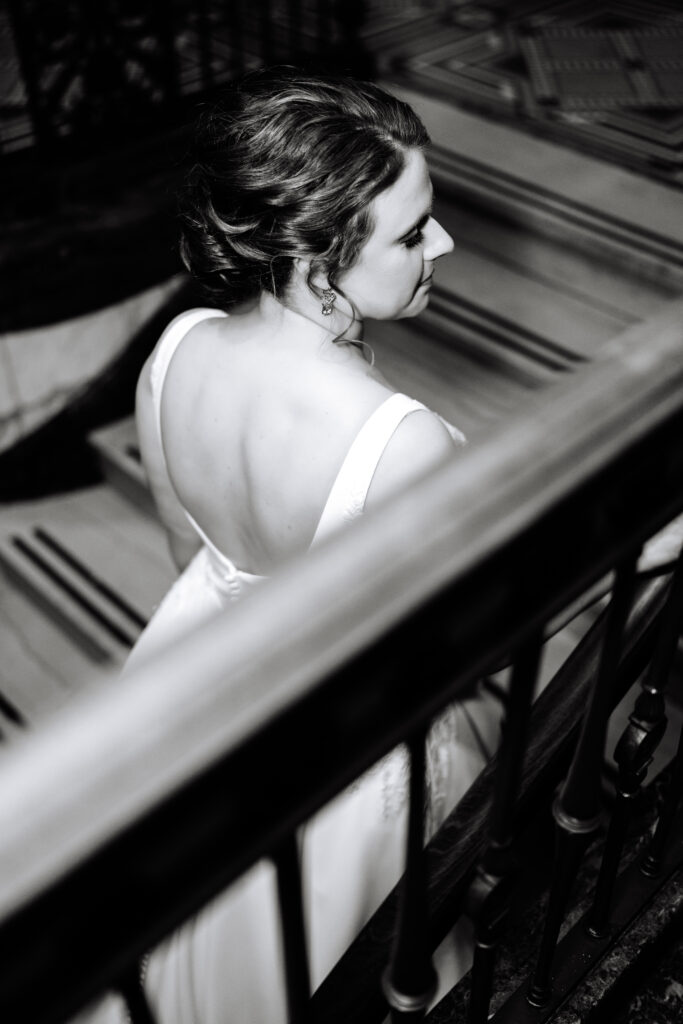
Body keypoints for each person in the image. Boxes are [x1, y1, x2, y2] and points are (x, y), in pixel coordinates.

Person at [106, 67, 502, 1024]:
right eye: (412, 233)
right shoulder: (397, 439)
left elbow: (181, 545)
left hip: (209, 675)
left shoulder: (177, 349)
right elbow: (476, 634)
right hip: (342, 749)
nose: (441, 241)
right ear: (318, 262)